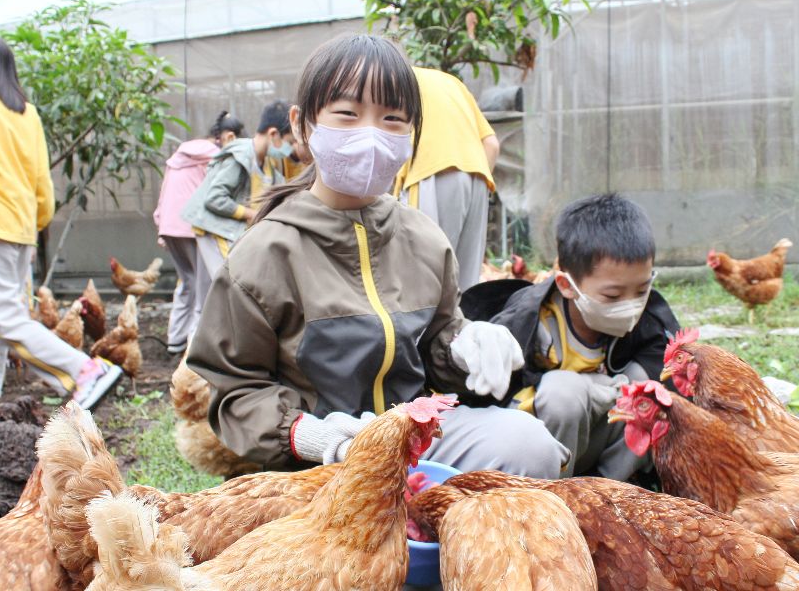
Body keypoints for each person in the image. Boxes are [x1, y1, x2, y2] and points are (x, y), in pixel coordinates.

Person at [186, 34, 570, 479]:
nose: (371, 135)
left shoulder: (424, 238)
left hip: (413, 436)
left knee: (529, 445)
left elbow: (438, 343)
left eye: (392, 119)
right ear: (302, 126)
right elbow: (235, 387)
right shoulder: (265, 254)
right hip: (314, 465)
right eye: (347, 115)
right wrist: (306, 434)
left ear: (411, 135)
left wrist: (466, 349)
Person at [464, 194, 680, 480]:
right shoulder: (527, 323)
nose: (631, 304)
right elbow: (490, 398)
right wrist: (592, 387)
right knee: (562, 392)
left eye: (641, 291)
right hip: (540, 440)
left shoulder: (650, 318)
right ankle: (553, 495)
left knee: (650, 397)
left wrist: (629, 385)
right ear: (566, 285)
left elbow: (669, 370)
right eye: (613, 295)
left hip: (597, 439)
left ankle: (610, 495)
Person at [0, 38, 122, 407]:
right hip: (19, 228)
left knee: (4, 319)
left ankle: (85, 371)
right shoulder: (26, 113)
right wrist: (32, 223)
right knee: (6, 317)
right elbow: (42, 182)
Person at [394, 67, 500, 291]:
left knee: (423, 281)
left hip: (430, 171)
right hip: (478, 175)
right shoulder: (452, 83)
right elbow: (492, 145)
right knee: (465, 285)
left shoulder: (388, 77)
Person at [181, 103, 293, 310]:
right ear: (274, 133)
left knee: (208, 299)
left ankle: (198, 340)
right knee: (232, 287)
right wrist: (249, 213)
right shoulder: (240, 156)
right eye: (289, 142)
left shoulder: (266, 164)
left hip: (227, 230)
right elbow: (214, 198)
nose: (291, 149)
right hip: (214, 228)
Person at [152, 116, 228, 354]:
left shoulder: (177, 158)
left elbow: (164, 193)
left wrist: (161, 227)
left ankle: (175, 341)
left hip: (170, 226)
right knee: (204, 289)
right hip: (195, 228)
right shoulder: (212, 156)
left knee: (187, 282)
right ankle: (195, 350)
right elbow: (215, 195)